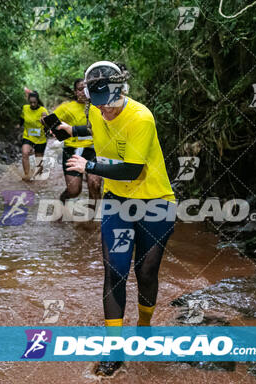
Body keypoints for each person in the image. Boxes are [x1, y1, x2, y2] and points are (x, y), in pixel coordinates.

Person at [57, 61, 176, 376]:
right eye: (99, 106)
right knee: (115, 271)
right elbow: (96, 130)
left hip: (155, 202)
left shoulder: (141, 118)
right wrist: (69, 130)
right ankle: (114, 348)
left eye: (110, 105)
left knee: (146, 272)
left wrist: (90, 168)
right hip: (119, 201)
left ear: (121, 91)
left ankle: (145, 328)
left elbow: (132, 169)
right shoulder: (97, 109)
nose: (105, 111)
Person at [53, 79, 102, 204]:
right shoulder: (66, 107)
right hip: (72, 151)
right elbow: (50, 121)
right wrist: (49, 126)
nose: (84, 92)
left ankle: (93, 220)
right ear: (75, 92)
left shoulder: (98, 106)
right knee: (74, 191)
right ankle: (63, 199)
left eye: (86, 89)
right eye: (80, 89)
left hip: (93, 150)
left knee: (94, 185)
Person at [20, 89, 48, 181]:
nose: (32, 104)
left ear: (37, 101)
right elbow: (21, 119)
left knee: (38, 162)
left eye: (34, 102)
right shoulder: (25, 108)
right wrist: (18, 125)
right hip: (28, 136)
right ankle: (27, 175)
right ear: (28, 101)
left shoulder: (43, 110)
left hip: (40, 138)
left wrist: (44, 121)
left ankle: (38, 177)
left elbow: (49, 125)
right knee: (25, 153)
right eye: (31, 102)